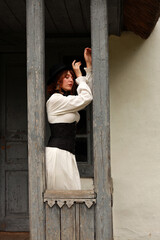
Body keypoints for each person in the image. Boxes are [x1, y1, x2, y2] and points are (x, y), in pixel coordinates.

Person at [45, 47, 92, 190]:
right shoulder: (55, 100)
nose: (71, 79)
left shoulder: (65, 101)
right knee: (62, 197)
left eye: (71, 76)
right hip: (58, 155)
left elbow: (88, 92)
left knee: (73, 194)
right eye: (66, 77)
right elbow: (87, 97)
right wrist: (79, 74)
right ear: (58, 81)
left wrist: (88, 67)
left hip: (67, 154)